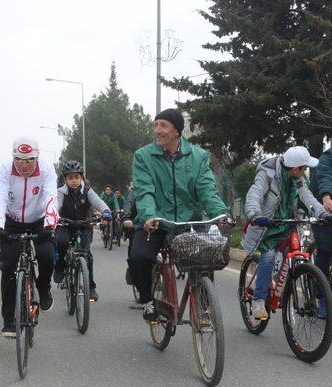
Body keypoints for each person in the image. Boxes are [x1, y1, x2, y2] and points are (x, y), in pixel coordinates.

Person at [131, 108, 229, 321]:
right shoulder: (143, 156)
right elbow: (144, 190)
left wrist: (219, 213)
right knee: (138, 258)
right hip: (157, 221)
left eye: (163, 125)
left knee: (205, 259)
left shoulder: (199, 156)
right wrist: (148, 215)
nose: (157, 130)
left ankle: (204, 306)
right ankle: (148, 300)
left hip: (188, 222)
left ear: (177, 131)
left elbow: (206, 189)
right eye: (156, 125)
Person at [242, 146, 332, 319]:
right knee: (267, 258)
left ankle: (281, 286)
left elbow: (308, 198)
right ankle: (259, 300)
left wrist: (322, 214)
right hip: (266, 226)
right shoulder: (266, 175)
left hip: (287, 224)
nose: (305, 171)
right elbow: (254, 195)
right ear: (295, 168)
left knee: (291, 254)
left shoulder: (297, 179)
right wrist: (255, 214)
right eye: (304, 168)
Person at [0, 136, 58, 337]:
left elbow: (50, 196)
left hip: (39, 221)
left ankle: (43, 288)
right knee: (9, 266)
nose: (25, 165)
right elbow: (0, 197)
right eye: (19, 159)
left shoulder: (46, 169)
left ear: (37, 157)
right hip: (12, 222)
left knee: (46, 255)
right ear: (13, 157)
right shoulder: (5, 169)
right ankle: (9, 319)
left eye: (29, 159)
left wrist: (50, 223)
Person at [54, 160, 111, 302]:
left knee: (87, 255)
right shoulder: (61, 192)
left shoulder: (87, 190)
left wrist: (106, 211)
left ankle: (91, 287)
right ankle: (60, 266)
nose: (74, 181)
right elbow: (56, 205)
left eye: (76, 177)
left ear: (81, 177)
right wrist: (52, 216)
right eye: (70, 178)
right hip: (65, 225)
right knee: (61, 243)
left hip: (84, 225)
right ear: (65, 179)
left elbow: (98, 202)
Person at [308, 146, 332, 299]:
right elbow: (324, 176)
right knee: (325, 249)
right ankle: (321, 295)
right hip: (322, 208)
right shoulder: (327, 157)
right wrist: (326, 196)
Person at [121, 189, 136, 285]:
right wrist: (126, 217)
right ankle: (133, 269)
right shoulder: (134, 192)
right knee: (134, 250)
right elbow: (128, 204)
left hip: (159, 222)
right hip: (137, 224)